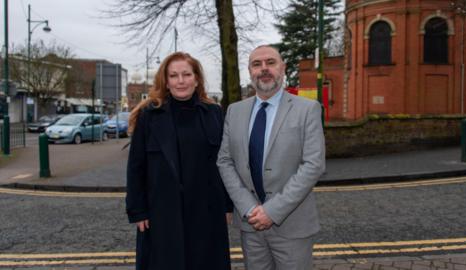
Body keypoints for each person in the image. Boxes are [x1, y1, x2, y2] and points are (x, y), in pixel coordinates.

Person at [217, 45, 325, 270]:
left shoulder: (308, 109)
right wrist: (249, 208)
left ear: (282, 68)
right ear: (250, 71)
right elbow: (225, 161)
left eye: (270, 62)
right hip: (251, 225)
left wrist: (272, 211)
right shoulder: (234, 111)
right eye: (257, 64)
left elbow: (313, 165)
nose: (264, 69)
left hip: (292, 226)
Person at [126, 52, 232, 270]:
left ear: (196, 79)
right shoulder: (149, 115)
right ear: (166, 81)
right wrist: (138, 210)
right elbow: (136, 166)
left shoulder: (214, 113)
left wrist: (227, 205)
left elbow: (225, 163)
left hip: (206, 210)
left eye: (186, 74)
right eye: (174, 76)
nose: (181, 81)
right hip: (162, 212)